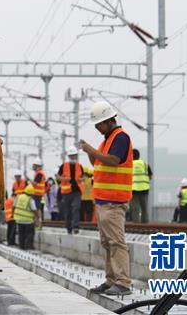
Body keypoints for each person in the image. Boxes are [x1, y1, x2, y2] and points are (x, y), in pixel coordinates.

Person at [80, 101, 133, 297]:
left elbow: (113, 160)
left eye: (99, 124)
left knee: (116, 242)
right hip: (103, 201)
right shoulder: (108, 139)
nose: (97, 128)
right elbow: (99, 162)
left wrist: (91, 150)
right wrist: (90, 152)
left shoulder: (120, 138)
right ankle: (111, 280)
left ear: (109, 121)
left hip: (114, 201)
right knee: (107, 242)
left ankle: (122, 282)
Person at [56, 147, 83, 234]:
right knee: (67, 211)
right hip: (66, 192)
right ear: (69, 156)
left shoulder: (79, 166)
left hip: (77, 191)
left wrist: (81, 179)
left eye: (74, 155)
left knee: (76, 208)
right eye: (71, 156)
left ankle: (76, 226)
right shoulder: (63, 166)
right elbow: (57, 177)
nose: (73, 157)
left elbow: (83, 177)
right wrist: (65, 179)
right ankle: (68, 227)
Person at [13, 186, 39, 250]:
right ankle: (28, 247)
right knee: (29, 234)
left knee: (21, 234)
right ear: (31, 193)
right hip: (28, 220)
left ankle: (21, 246)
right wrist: (38, 216)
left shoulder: (18, 197)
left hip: (19, 220)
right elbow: (34, 210)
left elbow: (13, 206)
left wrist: (13, 214)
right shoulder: (30, 199)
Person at [130, 148, 152, 223]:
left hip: (133, 189)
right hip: (144, 189)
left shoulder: (129, 164)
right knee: (144, 208)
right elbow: (150, 176)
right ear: (139, 156)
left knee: (135, 209)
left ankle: (136, 225)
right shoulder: (145, 164)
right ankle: (145, 224)